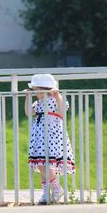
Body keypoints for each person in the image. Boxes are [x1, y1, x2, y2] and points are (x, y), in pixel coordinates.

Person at [24, 74, 75, 204]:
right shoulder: (39, 103)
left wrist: (58, 96)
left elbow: (62, 111)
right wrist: (27, 98)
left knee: (45, 164)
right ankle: (46, 193)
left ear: (44, 89)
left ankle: (56, 188)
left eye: (36, 90)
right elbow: (29, 112)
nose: (35, 93)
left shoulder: (54, 99)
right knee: (42, 163)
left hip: (52, 135)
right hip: (40, 136)